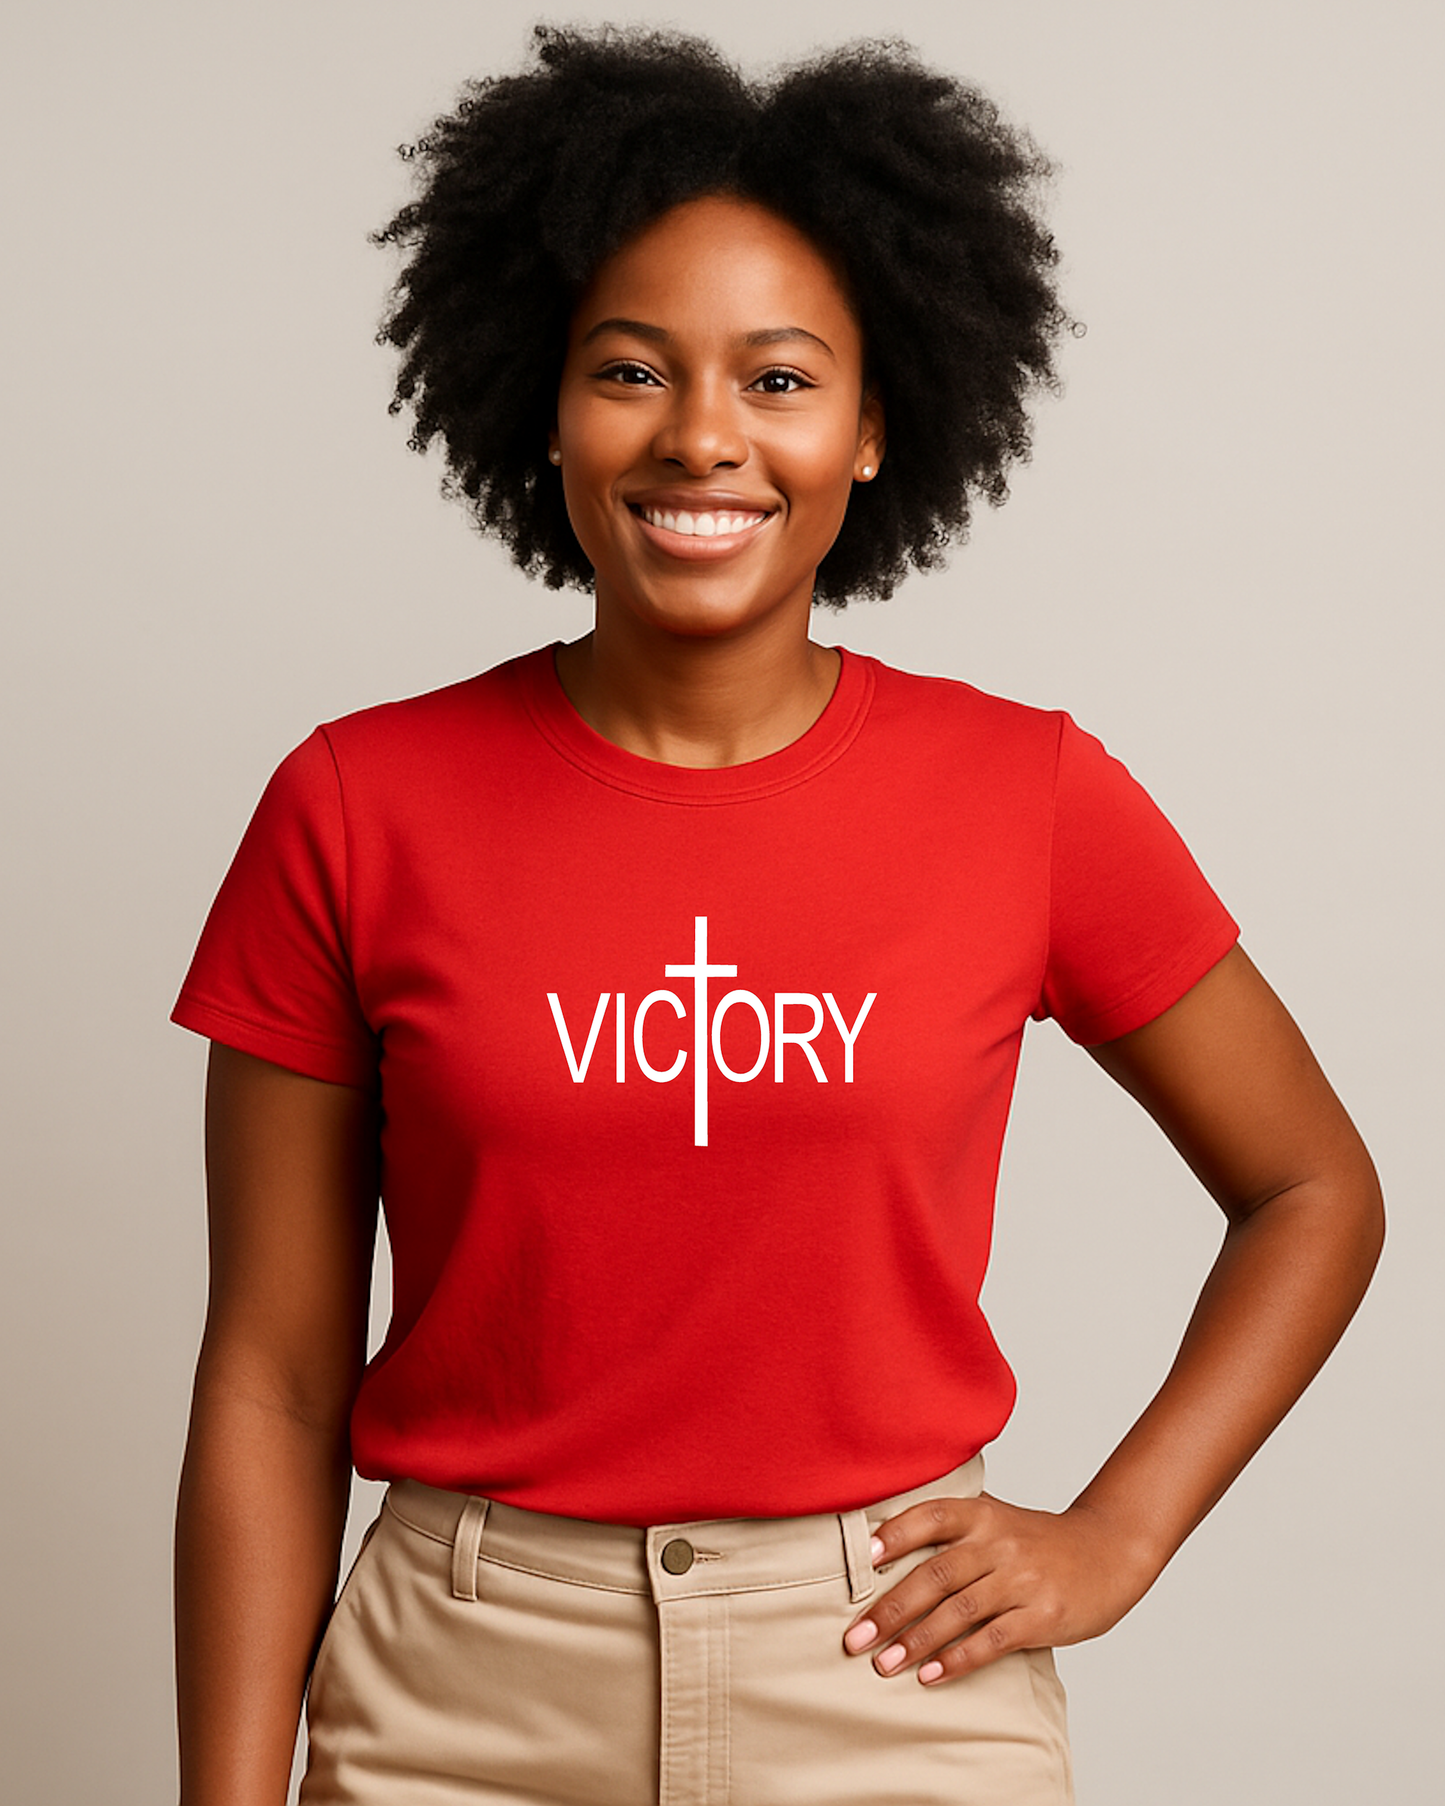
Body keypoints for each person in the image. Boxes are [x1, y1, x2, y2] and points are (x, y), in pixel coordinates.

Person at [171, 25, 1384, 1806]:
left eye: (783, 378)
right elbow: (270, 1378)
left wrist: (1120, 1535)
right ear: (547, 402)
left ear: (880, 422)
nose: (704, 438)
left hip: (890, 1678)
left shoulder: (1026, 794)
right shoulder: (358, 806)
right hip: (463, 1697)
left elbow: (1314, 1189)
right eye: (633, 369)